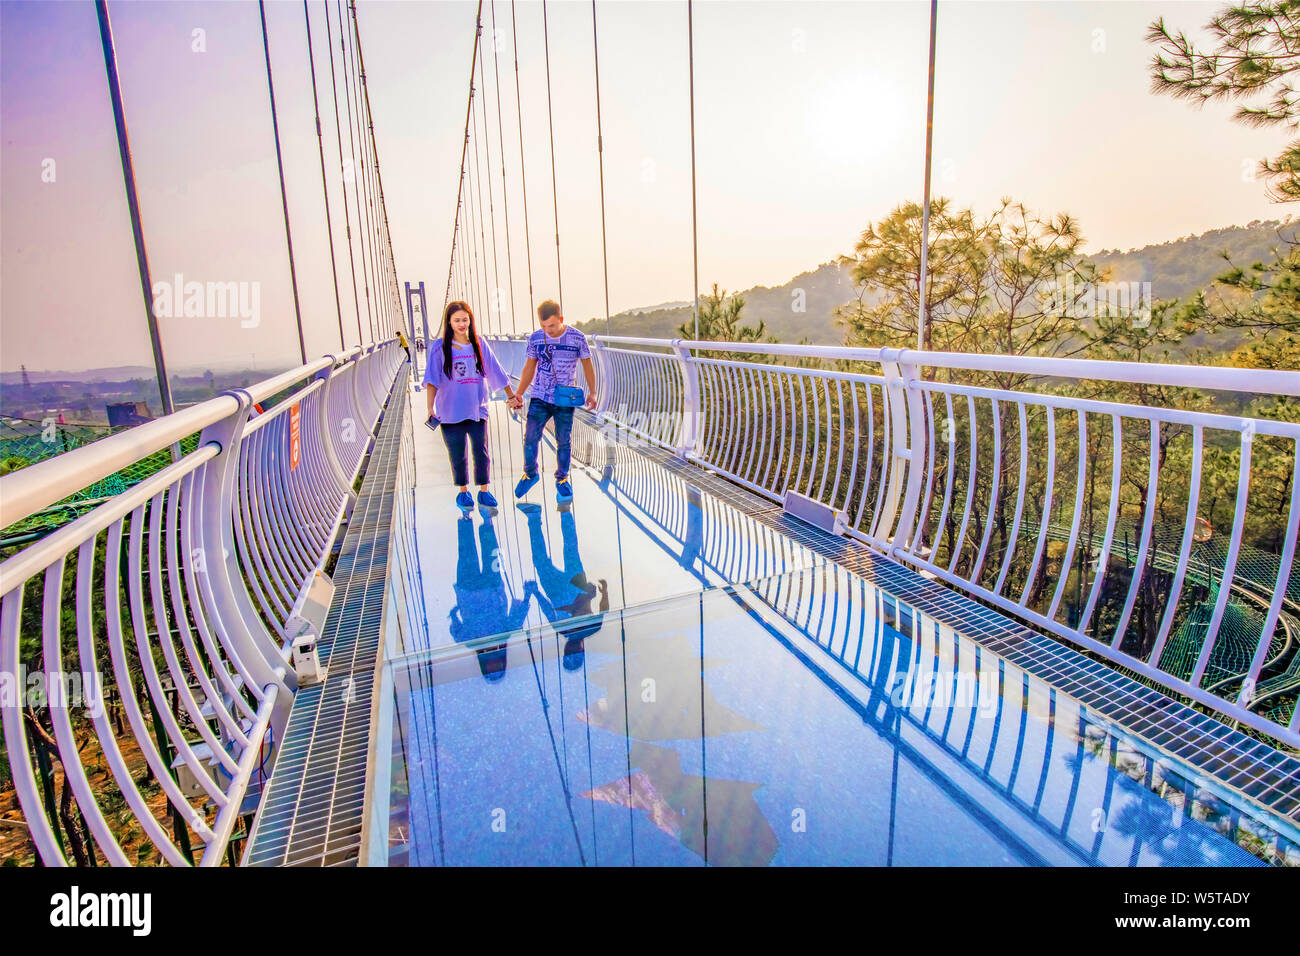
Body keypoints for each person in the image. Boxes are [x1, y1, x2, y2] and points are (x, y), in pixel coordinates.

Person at [424, 300, 519, 509]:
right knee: (458, 455)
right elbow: (431, 379)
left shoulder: (479, 343)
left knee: (481, 451)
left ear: (470, 320)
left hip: (477, 408)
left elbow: (496, 370)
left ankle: (484, 492)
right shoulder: (439, 348)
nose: (461, 324)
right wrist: (430, 408)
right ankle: (463, 492)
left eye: (465, 320)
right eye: (457, 320)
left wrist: (511, 396)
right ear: (449, 322)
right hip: (449, 411)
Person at [508, 299, 597, 503]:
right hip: (539, 395)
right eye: (543, 326)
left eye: (552, 326)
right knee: (530, 437)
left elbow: (587, 366)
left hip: (565, 398)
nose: (548, 330)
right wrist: (519, 393)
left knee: (563, 440)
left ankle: (562, 479)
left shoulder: (577, 338)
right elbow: (529, 368)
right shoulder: (536, 339)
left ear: (561, 319)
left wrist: (592, 392)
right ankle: (530, 474)